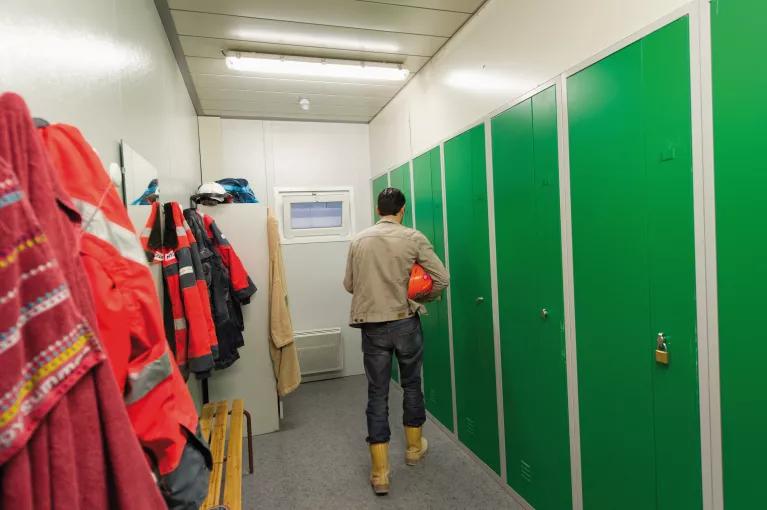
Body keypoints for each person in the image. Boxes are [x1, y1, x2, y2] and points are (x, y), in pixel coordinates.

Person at [343, 187, 450, 495]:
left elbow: (349, 284)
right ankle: (414, 449)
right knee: (412, 383)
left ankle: (380, 472)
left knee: (377, 393)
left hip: (372, 326)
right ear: (401, 210)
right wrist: (419, 296)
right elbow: (442, 279)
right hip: (405, 322)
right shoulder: (413, 237)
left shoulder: (358, 240)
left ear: (379, 210)